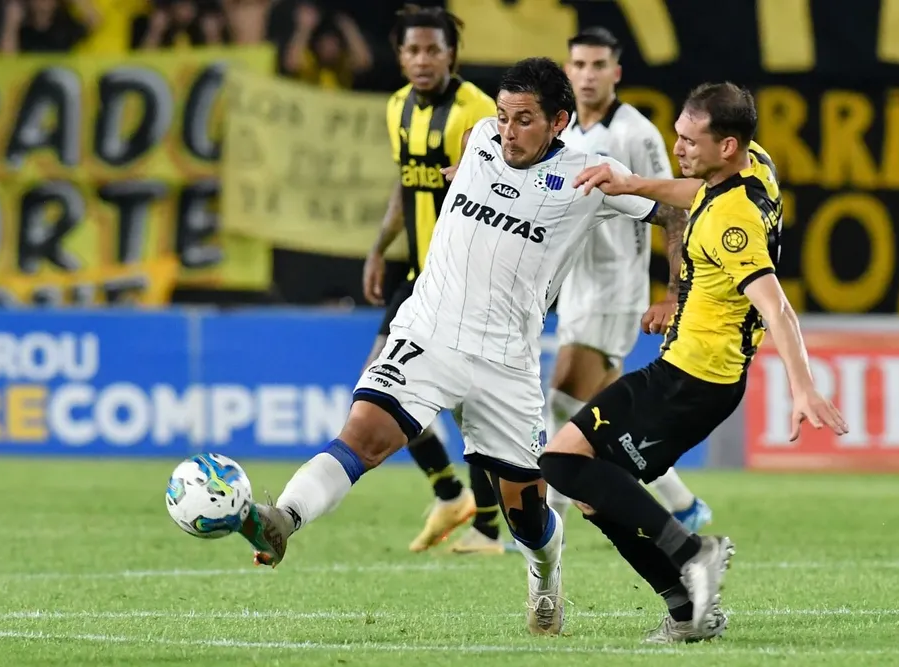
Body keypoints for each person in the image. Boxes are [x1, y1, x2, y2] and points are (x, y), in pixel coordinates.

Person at [236, 56, 671, 637]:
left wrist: (680, 281)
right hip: (429, 330)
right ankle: (283, 518)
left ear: (559, 121)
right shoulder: (480, 138)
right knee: (362, 433)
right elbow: (453, 154)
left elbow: (677, 208)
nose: (508, 132)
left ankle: (545, 578)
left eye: (524, 120)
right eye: (503, 116)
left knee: (527, 515)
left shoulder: (593, 174)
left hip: (505, 361)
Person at [539, 82, 849, 642]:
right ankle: (686, 611)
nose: (677, 147)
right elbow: (695, 193)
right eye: (677, 135)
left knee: (563, 464)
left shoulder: (735, 227)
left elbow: (777, 307)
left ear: (727, 145)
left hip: (694, 378)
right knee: (592, 489)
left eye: (689, 140)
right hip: (688, 369)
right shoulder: (757, 168)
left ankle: (693, 551)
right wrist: (634, 183)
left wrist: (803, 387)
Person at [547, 26, 712, 536]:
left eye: (598, 65)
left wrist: (674, 291)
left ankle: (546, 516)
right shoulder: (564, 129)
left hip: (616, 285)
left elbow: (677, 209)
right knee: (604, 409)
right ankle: (681, 502)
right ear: (568, 69)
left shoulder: (635, 132)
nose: (587, 75)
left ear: (616, 72)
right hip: (576, 285)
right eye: (579, 65)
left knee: (561, 396)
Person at [361, 4, 506, 555]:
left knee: (473, 406)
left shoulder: (479, 111)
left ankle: (489, 527)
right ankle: (449, 492)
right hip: (418, 275)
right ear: (399, 56)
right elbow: (406, 188)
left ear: (452, 55)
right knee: (378, 386)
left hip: (467, 280)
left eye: (433, 50)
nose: (422, 60)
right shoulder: (397, 108)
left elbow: (507, 189)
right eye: (411, 50)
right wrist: (379, 248)